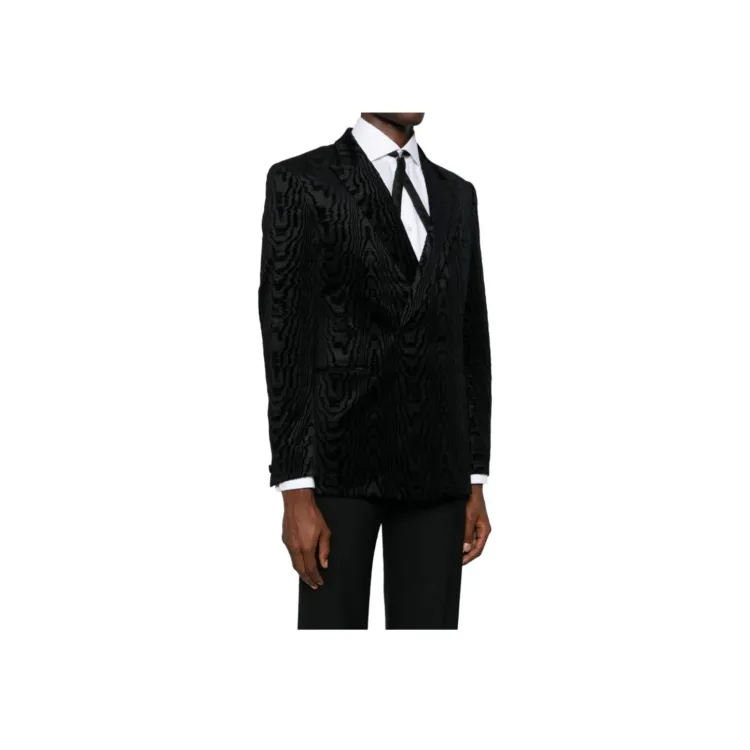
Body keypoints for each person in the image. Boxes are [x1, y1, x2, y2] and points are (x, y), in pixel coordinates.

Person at [259, 113, 492, 629]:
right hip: (338, 465)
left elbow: (470, 338)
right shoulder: (302, 180)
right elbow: (285, 339)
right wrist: (295, 486)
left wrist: (474, 475)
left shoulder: (457, 195)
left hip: (438, 465)